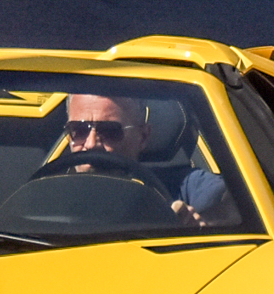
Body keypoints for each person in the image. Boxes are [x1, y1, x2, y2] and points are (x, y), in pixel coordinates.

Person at [59, 92, 233, 226]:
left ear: (142, 136)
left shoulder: (182, 187)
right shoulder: (43, 196)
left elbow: (237, 203)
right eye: (79, 130)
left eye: (110, 131)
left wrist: (202, 224)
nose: (91, 144)